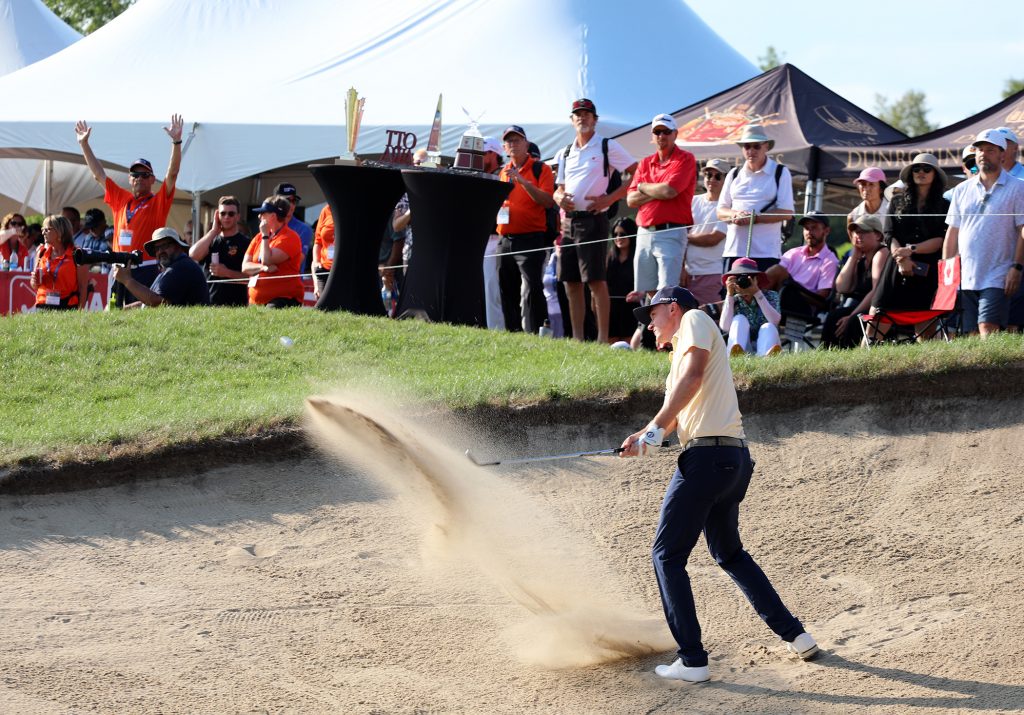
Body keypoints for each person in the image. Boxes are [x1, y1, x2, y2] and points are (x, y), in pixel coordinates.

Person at [622, 285, 818, 683]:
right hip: (732, 460)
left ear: (673, 309)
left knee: (666, 555)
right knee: (728, 553)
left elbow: (693, 379)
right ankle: (797, 636)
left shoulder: (695, 320)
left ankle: (693, 660)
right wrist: (642, 435)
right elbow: (679, 409)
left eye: (653, 314)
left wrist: (657, 428)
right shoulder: (678, 356)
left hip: (708, 460)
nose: (650, 324)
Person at [75, 114, 183, 307]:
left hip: (145, 266)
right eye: (135, 174)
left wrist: (176, 142)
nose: (139, 178)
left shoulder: (158, 201)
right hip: (119, 266)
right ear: (129, 178)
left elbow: (172, 174)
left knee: (142, 315)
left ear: (152, 179)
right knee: (116, 317)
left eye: (144, 174)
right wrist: (84, 144)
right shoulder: (122, 198)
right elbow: (98, 174)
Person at [553, 98, 637, 343]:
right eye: (578, 114)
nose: (582, 118)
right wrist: (559, 198)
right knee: (570, 281)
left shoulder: (606, 146)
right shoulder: (565, 152)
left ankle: (602, 338)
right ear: (572, 120)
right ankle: (578, 338)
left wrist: (609, 199)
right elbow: (559, 188)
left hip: (593, 219)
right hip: (569, 221)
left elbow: (637, 172)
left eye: (587, 114)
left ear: (595, 119)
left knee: (595, 280)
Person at [942, 130, 1024, 336]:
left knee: (988, 328)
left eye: (989, 150)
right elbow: (952, 232)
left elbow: (1023, 230)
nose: (982, 154)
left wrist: (1017, 267)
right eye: (979, 149)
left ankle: (997, 369)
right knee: (971, 334)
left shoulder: (1019, 188)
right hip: (966, 275)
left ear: (1002, 154)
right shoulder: (961, 189)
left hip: (999, 273)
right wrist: (946, 275)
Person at [871, 153, 950, 333]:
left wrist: (910, 250)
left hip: (927, 269)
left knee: (925, 328)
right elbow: (889, 234)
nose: (921, 172)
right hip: (895, 264)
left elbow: (941, 240)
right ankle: (863, 361)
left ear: (935, 175)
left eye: (926, 169)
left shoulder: (944, 206)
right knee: (876, 320)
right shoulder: (896, 201)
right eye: (916, 168)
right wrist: (901, 258)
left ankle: (927, 362)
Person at [626, 113, 696, 300]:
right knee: (648, 290)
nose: (661, 135)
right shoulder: (645, 163)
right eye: (657, 131)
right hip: (644, 232)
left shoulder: (686, 159)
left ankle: (670, 330)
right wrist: (657, 190)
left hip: (671, 232)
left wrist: (642, 186)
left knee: (667, 293)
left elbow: (669, 192)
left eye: (666, 131)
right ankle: (658, 329)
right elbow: (631, 200)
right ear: (652, 135)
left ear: (675, 134)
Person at [496, 125, 555, 334]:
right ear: (504, 147)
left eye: (517, 140)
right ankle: (513, 334)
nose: (513, 144)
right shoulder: (502, 172)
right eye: (509, 141)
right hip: (504, 238)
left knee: (532, 289)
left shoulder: (541, 169)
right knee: (506, 288)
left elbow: (548, 201)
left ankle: (535, 333)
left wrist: (523, 181)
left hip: (530, 238)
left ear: (526, 144)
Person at [717, 125, 794, 271]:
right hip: (734, 251)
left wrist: (755, 218)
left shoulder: (780, 172)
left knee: (764, 294)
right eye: (747, 146)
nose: (751, 151)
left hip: (767, 253)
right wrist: (735, 215)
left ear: (766, 147)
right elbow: (720, 211)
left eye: (756, 146)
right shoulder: (733, 173)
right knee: (730, 294)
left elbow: (787, 212)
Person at [821, 216, 889, 349]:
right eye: (855, 232)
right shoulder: (861, 259)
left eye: (863, 232)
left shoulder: (882, 253)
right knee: (834, 317)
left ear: (877, 235)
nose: (858, 236)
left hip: (880, 308)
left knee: (851, 321)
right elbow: (842, 287)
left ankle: (850, 359)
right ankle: (829, 357)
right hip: (861, 306)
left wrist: (851, 316)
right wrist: (854, 257)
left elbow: (876, 291)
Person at [112, 228, 209, 307]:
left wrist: (127, 280)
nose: (160, 251)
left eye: (165, 246)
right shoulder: (173, 268)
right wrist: (123, 310)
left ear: (178, 246)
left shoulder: (181, 267)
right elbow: (148, 303)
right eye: (157, 248)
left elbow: (156, 301)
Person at [766, 211, 839, 318]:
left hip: (805, 306)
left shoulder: (830, 261)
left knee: (777, 271)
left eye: (814, 227)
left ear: (826, 231)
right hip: (782, 296)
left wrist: (792, 290)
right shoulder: (793, 253)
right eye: (806, 228)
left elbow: (822, 299)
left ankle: (752, 303)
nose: (809, 232)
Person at [241, 196, 304, 308]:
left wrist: (265, 236)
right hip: (255, 301)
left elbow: (267, 259)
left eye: (263, 213)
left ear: (273, 216)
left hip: (282, 300)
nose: (259, 216)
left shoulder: (290, 237)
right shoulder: (258, 237)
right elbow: (245, 267)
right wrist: (263, 268)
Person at [189, 196, 250, 306]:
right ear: (218, 216)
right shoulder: (211, 240)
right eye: (223, 213)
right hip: (210, 304)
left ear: (238, 217)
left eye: (231, 214)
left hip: (237, 305)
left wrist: (227, 273)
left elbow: (252, 279)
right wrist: (213, 231)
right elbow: (193, 255)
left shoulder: (246, 243)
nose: (226, 217)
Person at [684, 159, 730, 305]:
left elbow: (713, 239)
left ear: (727, 180)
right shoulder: (692, 201)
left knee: (708, 321)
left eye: (718, 176)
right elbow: (680, 235)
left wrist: (684, 237)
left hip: (711, 273)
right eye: (708, 175)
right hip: (686, 274)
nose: (712, 179)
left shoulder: (729, 207)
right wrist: (681, 268)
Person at [719, 258, 782, 357]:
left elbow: (775, 321)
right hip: (744, 348)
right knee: (739, 319)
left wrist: (757, 293)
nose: (744, 282)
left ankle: (765, 358)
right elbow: (725, 327)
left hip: (766, 344)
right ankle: (736, 356)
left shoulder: (771, 296)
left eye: (749, 278)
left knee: (768, 326)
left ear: (756, 279)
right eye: (739, 278)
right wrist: (729, 295)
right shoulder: (734, 300)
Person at [30, 215, 87, 310]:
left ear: (60, 232)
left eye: (47, 230)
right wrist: (34, 281)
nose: (43, 233)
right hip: (42, 306)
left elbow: (83, 287)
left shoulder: (77, 254)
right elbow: (34, 285)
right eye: (42, 229)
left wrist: (80, 312)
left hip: (67, 306)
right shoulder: (41, 252)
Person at [481, 136, 506, 330]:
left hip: (497, 239)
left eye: (483, 153)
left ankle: (496, 329)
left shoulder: (502, 175)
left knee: (492, 288)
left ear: (493, 154)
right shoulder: (480, 175)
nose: (479, 158)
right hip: (482, 238)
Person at [606, 217, 637, 343]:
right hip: (611, 308)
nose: (618, 238)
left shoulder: (637, 258)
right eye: (615, 234)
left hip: (631, 309)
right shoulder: (608, 258)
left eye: (623, 234)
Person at [273, 182, 313, 270]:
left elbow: (296, 263)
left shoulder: (304, 229)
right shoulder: (268, 226)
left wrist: (263, 266)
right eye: (286, 201)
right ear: (275, 202)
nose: (291, 205)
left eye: (294, 201)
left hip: (291, 282)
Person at [848, 167, 889, 236]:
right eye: (863, 184)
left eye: (871, 184)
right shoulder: (852, 216)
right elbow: (855, 244)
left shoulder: (893, 212)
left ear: (881, 189)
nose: (866, 189)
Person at [311, 203, 335, 299]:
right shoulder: (326, 210)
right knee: (323, 308)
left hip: (346, 269)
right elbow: (318, 241)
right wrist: (316, 262)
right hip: (325, 269)